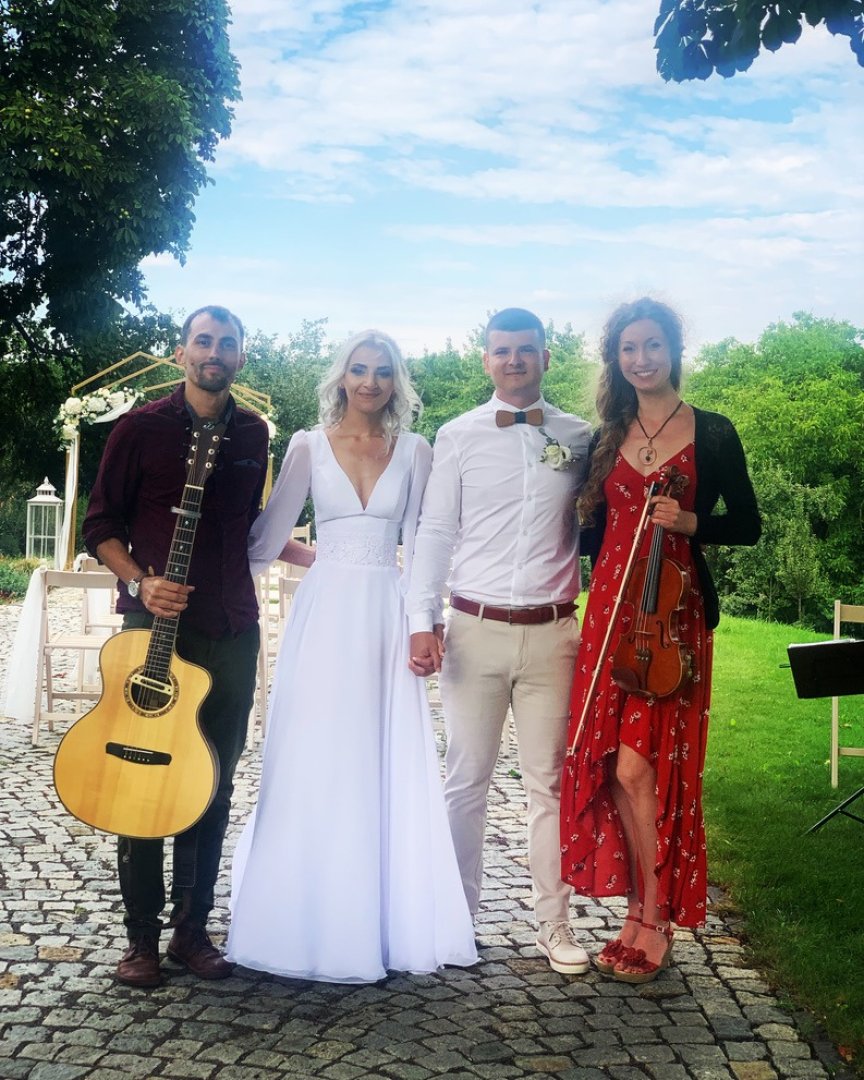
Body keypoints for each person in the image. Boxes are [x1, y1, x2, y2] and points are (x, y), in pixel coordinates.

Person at [227, 330, 477, 983]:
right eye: (359, 369)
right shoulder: (308, 445)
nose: (370, 381)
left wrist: (426, 621)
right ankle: (306, 914)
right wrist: (223, 583)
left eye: (382, 371)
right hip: (325, 615)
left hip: (388, 616)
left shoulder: (415, 450)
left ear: (396, 381)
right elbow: (269, 536)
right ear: (342, 376)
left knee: (381, 751)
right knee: (315, 749)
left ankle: (385, 920)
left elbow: (424, 541)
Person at [560, 297, 761, 984]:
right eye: (628, 348)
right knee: (614, 767)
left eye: (652, 345)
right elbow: (589, 535)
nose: (641, 359)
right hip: (609, 618)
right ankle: (638, 913)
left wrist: (690, 521)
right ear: (615, 359)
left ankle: (658, 918)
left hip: (671, 621)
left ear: (674, 349)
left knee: (641, 770)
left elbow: (748, 525)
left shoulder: (713, 432)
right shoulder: (605, 436)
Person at [83, 305, 268, 988]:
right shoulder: (139, 428)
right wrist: (141, 581)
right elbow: (99, 525)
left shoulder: (254, 432)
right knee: (140, 779)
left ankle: (193, 931)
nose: (214, 352)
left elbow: (255, 527)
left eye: (227, 343)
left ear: (241, 355)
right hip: (154, 633)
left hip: (231, 631)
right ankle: (140, 939)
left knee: (211, 781)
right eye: (203, 341)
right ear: (181, 352)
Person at [407, 308, 594, 974]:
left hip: (554, 634)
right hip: (474, 630)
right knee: (466, 781)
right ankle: (457, 920)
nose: (514, 360)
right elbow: (435, 531)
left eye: (526, 350)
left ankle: (554, 924)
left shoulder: (580, 437)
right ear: (485, 360)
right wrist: (421, 618)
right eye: (502, 351)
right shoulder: (456, 435)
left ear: (546, 356)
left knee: (551, 784)